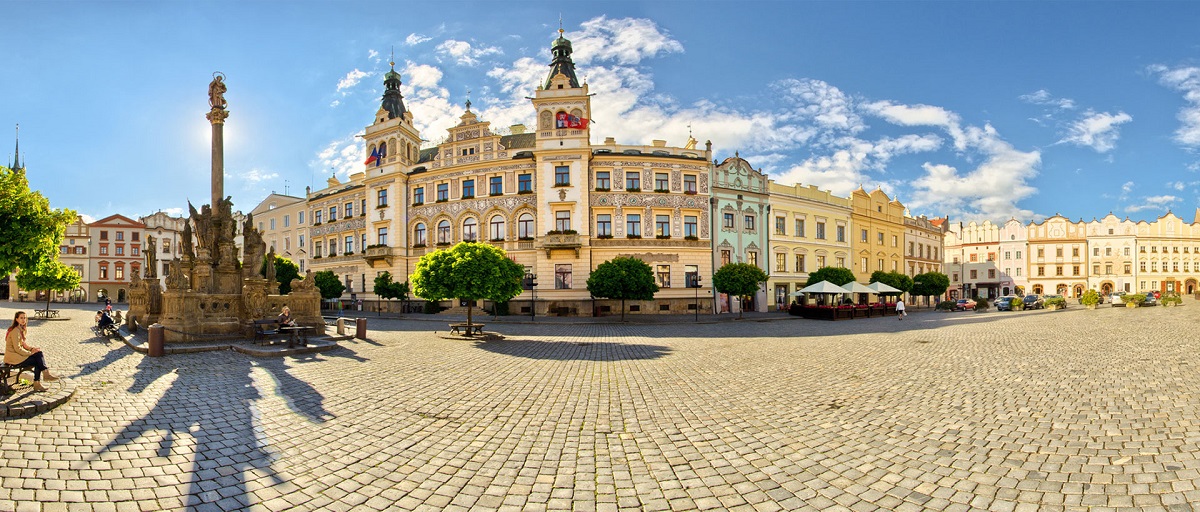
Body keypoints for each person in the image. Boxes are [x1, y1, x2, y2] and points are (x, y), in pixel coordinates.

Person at [5, 311, 59, 392]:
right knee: (38, 360)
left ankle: (43, 376)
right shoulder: (15, 331)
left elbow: (24, 345)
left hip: (17, 356)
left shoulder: (20, 329)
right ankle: (41, 378)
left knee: (38, 353)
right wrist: (30, 353)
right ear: (16, 319)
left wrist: (32, 349)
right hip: (13, 358)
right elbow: (17, 348)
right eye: (21, 318)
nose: (23, 320)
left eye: (25, 318)